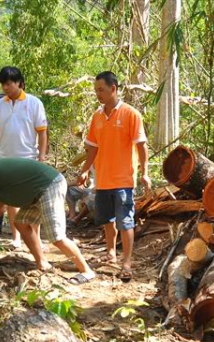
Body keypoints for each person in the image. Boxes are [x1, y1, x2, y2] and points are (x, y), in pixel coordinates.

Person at [0, 152, 95, 285]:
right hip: (37, 192)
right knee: (20, 222)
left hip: (49, 185)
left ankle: (86, 271)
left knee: (56, 236)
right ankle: (41, 262)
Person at [77, 71, 151, 282]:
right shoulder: (97, 117)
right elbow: (92, 148)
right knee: (107, 220)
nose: (98, 94)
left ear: (113, 89)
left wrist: (145, 173)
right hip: (103, 179)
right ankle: (110, 252)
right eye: (96, 91)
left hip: (124, 180)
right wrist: (84, 169)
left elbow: (141, 146)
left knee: (125, 221)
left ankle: (126, 262)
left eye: (101, 90)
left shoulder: (131, 114)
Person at [0, 66, 49, 248]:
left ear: (19, 83)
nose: (5, 88)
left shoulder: (34, 103)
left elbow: (42, 133)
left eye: (9, 84)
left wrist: (42, 156)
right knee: (9, 200)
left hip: (28, 158)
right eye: (3, 84)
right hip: (3, 159)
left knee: (31, 201)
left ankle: (35, 238)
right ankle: (16, 238)